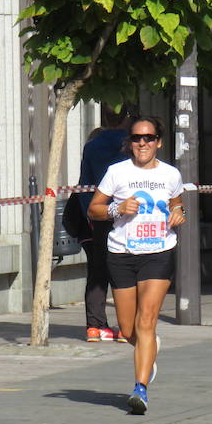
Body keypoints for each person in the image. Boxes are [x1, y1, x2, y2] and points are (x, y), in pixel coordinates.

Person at [88, 116, 185, 415]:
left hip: (159, 252)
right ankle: (148, 347)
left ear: (159, 141)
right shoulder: (116, 172)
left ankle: (140, 389)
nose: (142, 143)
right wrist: (118, 208)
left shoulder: (171, 174)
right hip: (122, 254)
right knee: (129, 328)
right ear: (129, 142)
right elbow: (94, 209)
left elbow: (176, 203)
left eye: (148, 138)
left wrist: (178, 213)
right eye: (136, 138)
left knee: (147, 321)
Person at [79, 104, 131, 342]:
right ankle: (125, 327)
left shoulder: (92, 146)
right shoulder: (132, 145)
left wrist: (90, 214)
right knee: (126, 270)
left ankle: (94, 326)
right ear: (126, 118)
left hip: (99, 215)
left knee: (97, 269)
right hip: (129, 216)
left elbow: (84, 184)